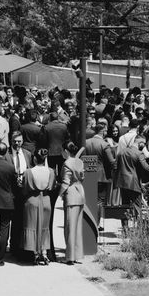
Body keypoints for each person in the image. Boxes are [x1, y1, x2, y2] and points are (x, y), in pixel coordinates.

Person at [114, 135, 149, 229]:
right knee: (137, 206)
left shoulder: (121, 151)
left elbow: (116, 166)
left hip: (122, 183)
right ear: (140, 143)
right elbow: (147, 168)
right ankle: (140, 229)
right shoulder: (139, 153)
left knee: (125, 206)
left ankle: (125, 229)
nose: (144, 146)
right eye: (144, 144)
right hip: (133, 183)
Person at [39, 111, 68, 262]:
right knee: (60, 169)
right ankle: (60, 180)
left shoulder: (46, 127)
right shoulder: (63, 127)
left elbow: (43, 140)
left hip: (50, 151)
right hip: (61, 152)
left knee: (52, 170)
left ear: (50, 118)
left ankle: (54, 181)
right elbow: (67, 138)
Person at [22, 148, 56, 265]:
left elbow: (25, 188)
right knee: (44, 227)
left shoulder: (28, 172)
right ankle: (44, 252)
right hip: (46, 200)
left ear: (35, 158)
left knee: (32, 225)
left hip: (32, 200)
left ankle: (35, 253)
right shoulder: (51, 171)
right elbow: (52, 187)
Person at [6, 132, 33, 258]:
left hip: (23, 191)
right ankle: (8, 246)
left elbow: (30, 169)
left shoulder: (27, 154)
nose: (17, 143)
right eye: (15, 141)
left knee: (21, 219)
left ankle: (17, 246)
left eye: (19, 141)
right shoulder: (6, 154)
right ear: (11, 141)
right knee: (8, 220)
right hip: (10, 190)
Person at [59, 141, 85, 265]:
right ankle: (77, 254)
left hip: (71, 194)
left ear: (66, 151)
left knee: (70, 227)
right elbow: (83, 177)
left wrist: (59, 194)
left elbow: (65, 182)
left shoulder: (66, 163)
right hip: (80, 192)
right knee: (77, 227)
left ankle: (69, 256)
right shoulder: (80, 162)